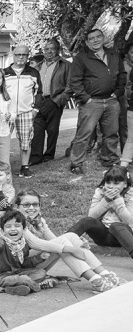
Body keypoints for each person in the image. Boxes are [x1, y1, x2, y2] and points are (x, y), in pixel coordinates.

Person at [2, 196, 123, 291]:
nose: (31, 207)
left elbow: (56, 239)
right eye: (26, 205)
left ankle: (105, 274)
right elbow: (36, 243)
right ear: (17, 207)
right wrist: (72, 249)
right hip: (16, 268)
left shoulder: (39, 221)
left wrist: (76, 244)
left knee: (71, 237)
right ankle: (96, 280)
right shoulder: (13, 222)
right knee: (65, 243)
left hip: (35, 262)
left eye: (35, 204)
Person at [68, 29, 127, 175]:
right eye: (91, 38)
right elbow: (74, 81)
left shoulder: (113, 54)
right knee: (84, 134)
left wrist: (118, 92)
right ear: (87, 42)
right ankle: (76, 163)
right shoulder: (81, 58)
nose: (95, 40)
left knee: (111, 133)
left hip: (112, 101)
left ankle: (110, 160)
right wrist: (86, 98)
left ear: (103, 38)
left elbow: (122, 75)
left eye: (98, 37)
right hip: (92, 102)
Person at [67, 167, 133, 257]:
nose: (111, 186)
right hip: (103, 235)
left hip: (124, 236)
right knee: (87, 220)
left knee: (115, 225)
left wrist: (118, 200)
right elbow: (92, 216)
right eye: (108, 182)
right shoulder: (100, 191)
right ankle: (63, 242)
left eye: (116, 183)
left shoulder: (130, 194)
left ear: (125, 184)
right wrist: (105, 200)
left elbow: (129, 221)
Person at [31, 38, 71, 166]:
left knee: (52, 130)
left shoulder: (65, 65)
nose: (49, 51)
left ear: (58, 50)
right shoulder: (39, 65)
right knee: (37, 130)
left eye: (52, 49)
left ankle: (49, 155)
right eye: (46, 49)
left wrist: (60, 99)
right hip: (38, 101)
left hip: (54, 100)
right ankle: (36, 157)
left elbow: (71, 85)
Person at [3, 45, 42, 178]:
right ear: (13, 55)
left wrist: (35, 109)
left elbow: (39, 92)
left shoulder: (33, 73)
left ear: (27, 56)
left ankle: (25, 167)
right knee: (3, 140)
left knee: (26, 141)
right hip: (8, 112)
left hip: (26, 112)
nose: (20, 57)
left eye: (24, 55)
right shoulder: (4, 72)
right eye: (18, 54)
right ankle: (3, 167)